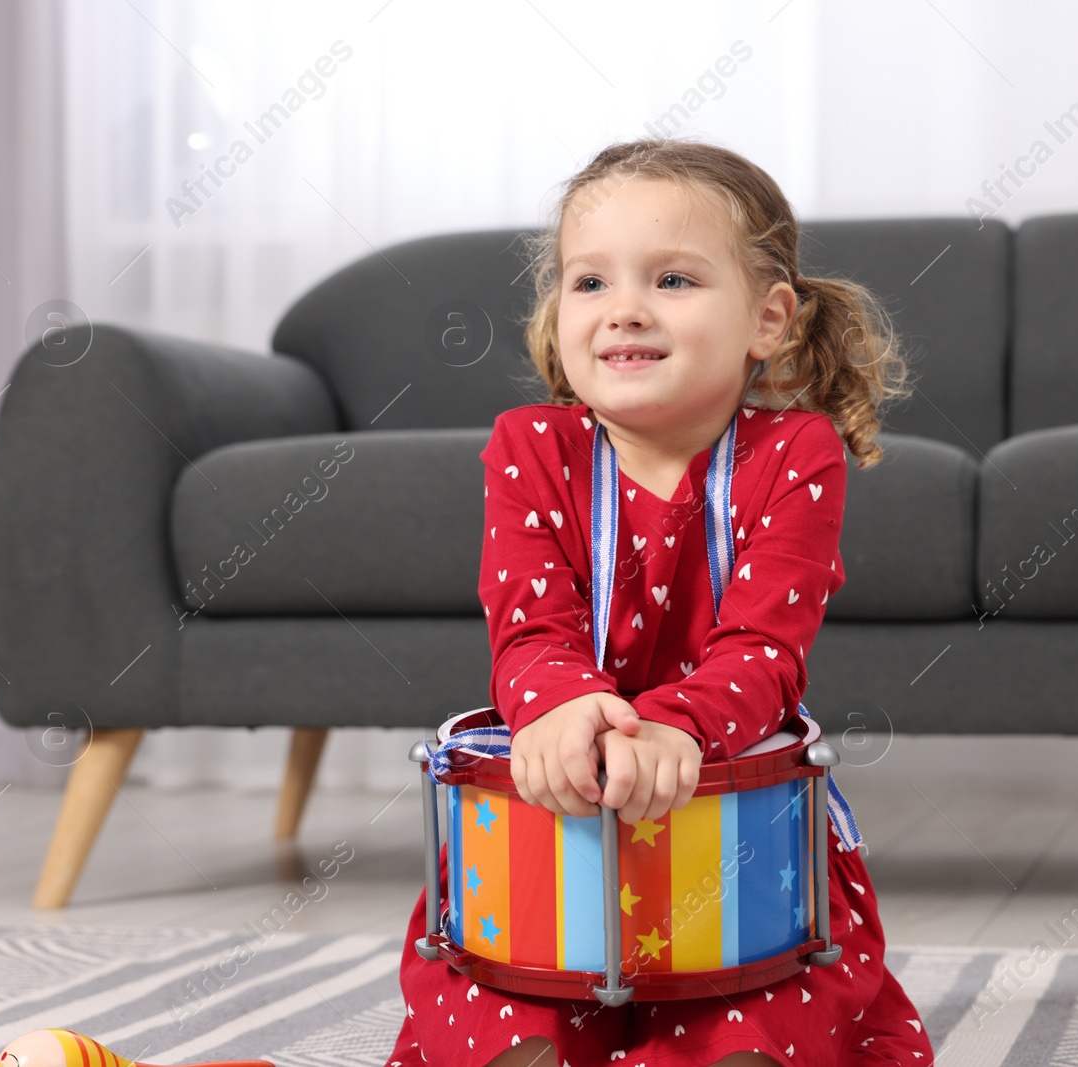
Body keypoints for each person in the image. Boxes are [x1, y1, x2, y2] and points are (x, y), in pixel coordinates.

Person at [384, 137, 934, 1067]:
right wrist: (560, 709)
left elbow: (765, 646)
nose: (623, 309)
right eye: (589, 283)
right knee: (500, 1015)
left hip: (728, 824)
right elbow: (530, 628)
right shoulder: (529, 446)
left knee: (765, 1021)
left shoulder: (796, 453)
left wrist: (677, 727)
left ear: (768, 318)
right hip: (558, 829)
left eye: (672, 279)